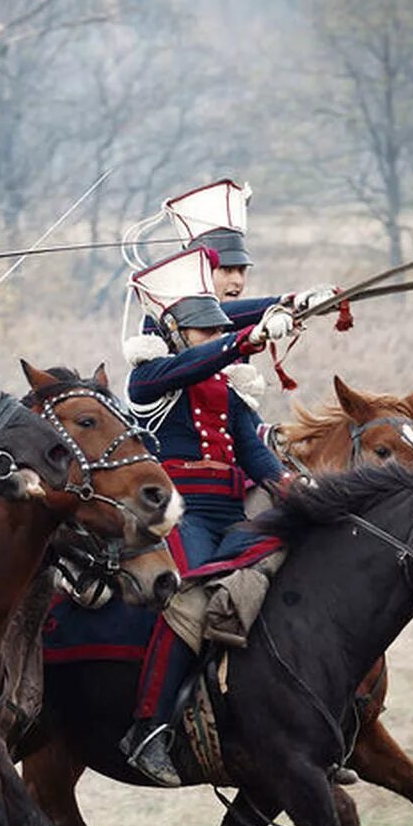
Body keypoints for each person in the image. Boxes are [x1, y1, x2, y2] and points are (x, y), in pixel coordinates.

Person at [115, 247, 299, 784]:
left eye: (218, 331)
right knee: (192, 595)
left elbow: (254, 453)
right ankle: (147, 727)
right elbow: (197, 362)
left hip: (231, 509)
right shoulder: (151, 377)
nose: (212, 338)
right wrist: (244, 338)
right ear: (176, 334)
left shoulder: (230, 390)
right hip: (181, 511)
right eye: (202, 332)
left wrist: (291, 487)